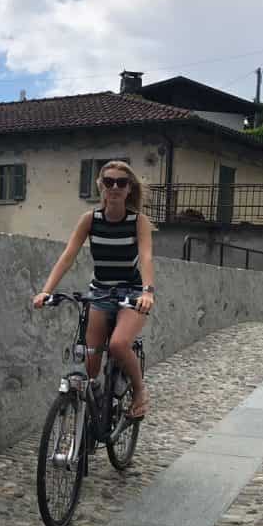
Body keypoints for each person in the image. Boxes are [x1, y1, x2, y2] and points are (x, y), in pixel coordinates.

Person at [32, 160, 154, 419]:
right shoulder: (90, 220)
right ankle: (96, 414)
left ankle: (140, 391)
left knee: (119, 345)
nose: (114, 187)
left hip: (131, 294)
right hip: (99, 293)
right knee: (90, 363)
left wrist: (147, 291)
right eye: (108, 181)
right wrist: (46, 291)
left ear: (129, 188)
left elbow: (145, 257)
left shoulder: (138, 221)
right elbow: (68, 256)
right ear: (100, 185)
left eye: (121, 182)